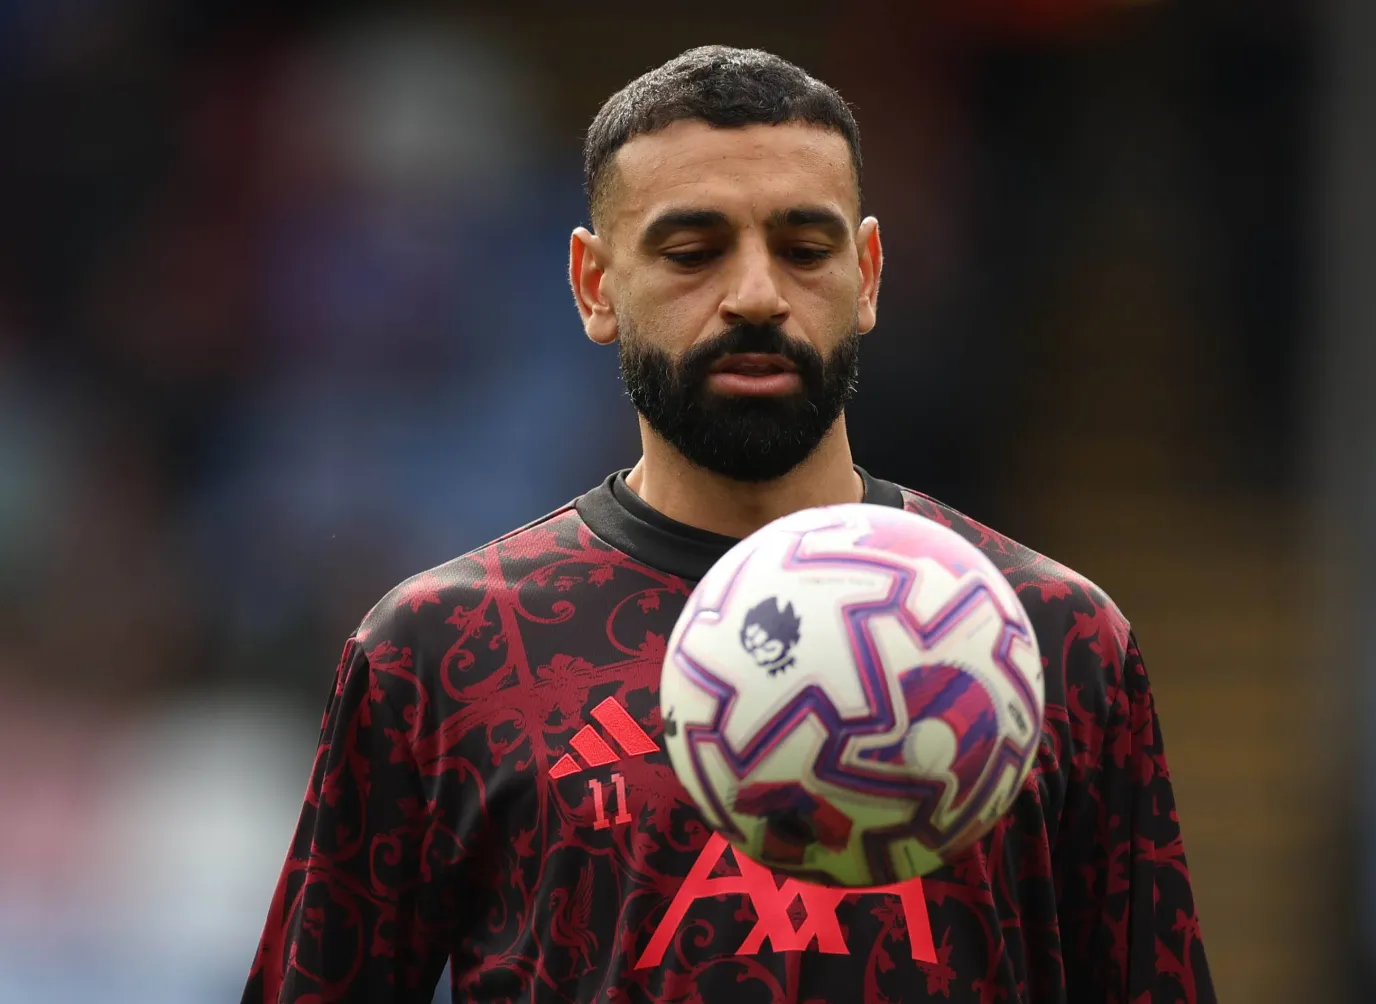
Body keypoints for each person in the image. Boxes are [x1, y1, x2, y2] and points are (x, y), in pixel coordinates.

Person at [243, 46, 1215, 1004]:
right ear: (594, 285)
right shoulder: (441, 652)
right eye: (692, 250)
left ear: (868, 273)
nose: (755, 294)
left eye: (804, 248)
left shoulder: (1053, 639)